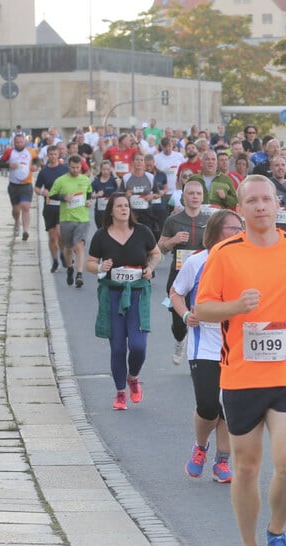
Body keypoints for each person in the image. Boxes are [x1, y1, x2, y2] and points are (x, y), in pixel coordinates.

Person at [193, 175, 286, 546]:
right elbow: (203, 309)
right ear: (241, 208)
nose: (262, 207)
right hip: (242, 377)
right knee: (247, 469)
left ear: (277, 204)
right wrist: (235, 306)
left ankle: (277, 532)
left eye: (268, 200)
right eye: (253, 201)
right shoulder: (224, 253)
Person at [169, 210, 245, 484]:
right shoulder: (197, 261)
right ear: (215, 231)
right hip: (204, 345)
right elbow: (176, 292)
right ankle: (201, 446)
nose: (238, 232)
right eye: (231, 228)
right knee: (208, 405)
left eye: (240, 227)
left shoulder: (246, 261)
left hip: (237, 346)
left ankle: (222, 462)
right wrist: (184, 315)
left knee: (229, 407)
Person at [87, 193, 163, 411]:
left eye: (126, 206)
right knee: (118, 347)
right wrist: (101, 267)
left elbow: (156, 254)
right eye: (119, 206)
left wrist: (149, 268)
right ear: (111, 210)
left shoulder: (142, 232)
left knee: (138, 346)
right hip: (113, 294)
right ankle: (120, 392)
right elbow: (90, 263)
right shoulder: (102, 236)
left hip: (138, 292)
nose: (124, 209)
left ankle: (133, 377)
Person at [159, 180, 208, 366]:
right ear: (184, 197)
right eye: (191, 193)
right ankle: (180, 341)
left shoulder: (209, 221)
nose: (195, 197)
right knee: (179, 323)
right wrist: (173, 240)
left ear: (202, 197)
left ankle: (197, 357)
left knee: (201, 317)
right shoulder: (173, 220)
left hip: (202, 276)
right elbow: (160, 247)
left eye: (198, 194)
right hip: (178, 275)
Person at [49, 155, 94, 289]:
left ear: (81, 167)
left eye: (78, 168)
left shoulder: (85, 179)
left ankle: (79, 274)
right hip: (66, 219)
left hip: (82, 219)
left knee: (79, 246)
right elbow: (52, 195)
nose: (75, 170)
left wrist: (89, 201)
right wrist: (63, 197)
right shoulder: (60, 181)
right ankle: (70, 268)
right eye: (73, 167)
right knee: (68, 248)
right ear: (69, 166)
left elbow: (89, 193)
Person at [34, 145, 68, 273]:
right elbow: (36, 188)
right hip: (49, 207)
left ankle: (62, 253)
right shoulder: (44, 172)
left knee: (60, 235)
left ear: (58, 155)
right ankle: (54, 260)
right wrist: (43, 192)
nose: (53, 157)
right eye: (51, 154)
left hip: (62, 207)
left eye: (55, 154)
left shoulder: (64, 169)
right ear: (47, 155)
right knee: (52, 237)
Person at [0, 132, 37, 241]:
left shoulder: (30, 151)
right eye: (17, 142)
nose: (19, 144)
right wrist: (8, 165)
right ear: (14, 143)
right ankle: (17, 222)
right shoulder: (9, 152)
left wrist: (35, 166)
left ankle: (26, 231)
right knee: (16, 210)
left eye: (21, 142)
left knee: (25, 207)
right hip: (13, 186)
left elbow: (37, 161)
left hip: (26, 185)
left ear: (25, 142)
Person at [123, 154, 161, 239]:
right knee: (132, 238)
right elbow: (119, 196)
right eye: (137, 160)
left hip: (147, 214)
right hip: (131, 213)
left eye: (141, 160)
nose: (139, 162)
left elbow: (158, 194)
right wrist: (126, 195)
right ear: (132, 162)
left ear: (144, 163)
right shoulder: (126, 178)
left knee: (146, 237)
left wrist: (152, 196)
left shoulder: (150, 177)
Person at [91, 160, 121, 229]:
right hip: (100, 212)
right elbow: (90, 195)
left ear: (110, 169)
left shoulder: (113, 180)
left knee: (112, 230)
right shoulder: (96, 182)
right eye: (104, 169)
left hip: (111, 212)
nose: (106, 171)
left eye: (108, 169)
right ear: (101, 170)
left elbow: (120, 187)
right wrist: (97, 195)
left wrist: (114, 174)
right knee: (101, 230)